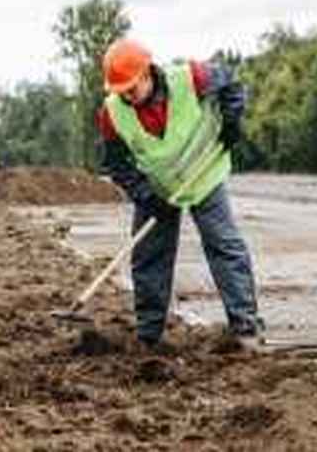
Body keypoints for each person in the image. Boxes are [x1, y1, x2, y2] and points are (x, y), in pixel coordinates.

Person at [95, 38, 264, 351]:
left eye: (132, 89)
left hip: (203, 176)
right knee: (148, 257)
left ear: (148, 73)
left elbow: (231, 83)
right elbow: (116, 164)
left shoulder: (190, 77)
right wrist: (145, 195)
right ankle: (148, 336)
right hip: (158, 189)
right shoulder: (112, 113)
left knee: (224, 245)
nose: (128, 98)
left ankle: (245, 327)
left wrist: (232, 120)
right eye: (121, 92)